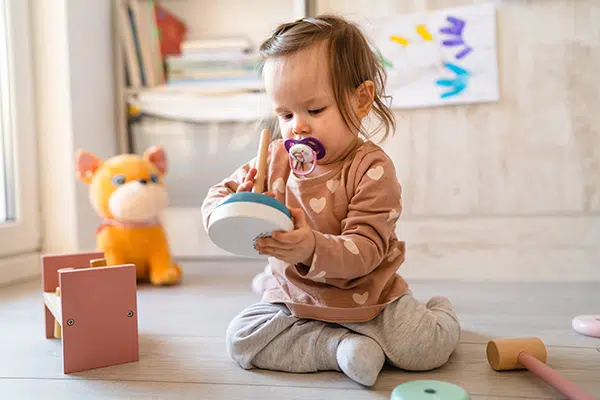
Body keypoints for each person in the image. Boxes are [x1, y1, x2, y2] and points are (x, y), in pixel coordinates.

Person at [201, 14, 460, 387]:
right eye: (285, 114)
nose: (297, 127)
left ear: (360, 100)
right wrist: (223, 215)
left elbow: (366, 250)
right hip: (295, 296)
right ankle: (338, 349)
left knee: (423, 349)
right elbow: (219, 196)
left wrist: (310, 248)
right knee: (241, 339)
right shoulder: (273, 159)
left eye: (315, 110)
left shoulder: (371, 168)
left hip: (367, 297)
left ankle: (439, 312)